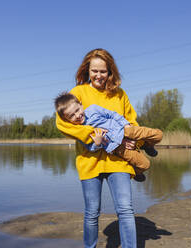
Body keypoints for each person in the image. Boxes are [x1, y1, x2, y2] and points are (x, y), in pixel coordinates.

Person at [55, 48, 159, 248]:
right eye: (94, 71)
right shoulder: (78, 92)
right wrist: (92, 136)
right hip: (89, 161)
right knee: (92, 212)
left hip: (119, 160)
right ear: (87, 70)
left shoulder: (119, 94)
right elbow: (61, 123)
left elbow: (131, 121)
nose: (98, 75)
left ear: (110, 72)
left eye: (103, 71)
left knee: (125, 210)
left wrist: (132, 141)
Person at [54, 92, 163, 182]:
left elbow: (112, 114)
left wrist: (125, 124)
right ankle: (136, 173)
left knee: (158, 135)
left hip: (125, 130)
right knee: (145, 165)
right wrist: (97, 144)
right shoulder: (80, 131)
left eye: (77, 110)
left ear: (81, 105)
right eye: (71, 116)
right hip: (117, 148)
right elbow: (90, 148)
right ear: (67, 120)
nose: (77, 116)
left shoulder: (93, 109)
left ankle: (147, 144)